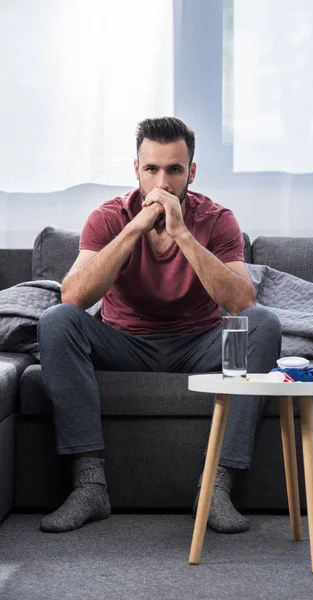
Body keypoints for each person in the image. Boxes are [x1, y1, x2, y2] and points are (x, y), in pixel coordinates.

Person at [37, 117, 282, 534]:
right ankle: (90, 486)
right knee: (57, 321)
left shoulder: (218, 220)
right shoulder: (108, 217)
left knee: (262, 324)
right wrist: (134, 228)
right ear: (137, 170)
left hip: (200, 344)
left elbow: (242, 302)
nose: (162, 182)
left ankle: (216, 489)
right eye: (151, 169)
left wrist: (182, 234)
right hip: (123, 342)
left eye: (174, 169)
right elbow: (73, 297)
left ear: (192, 172)